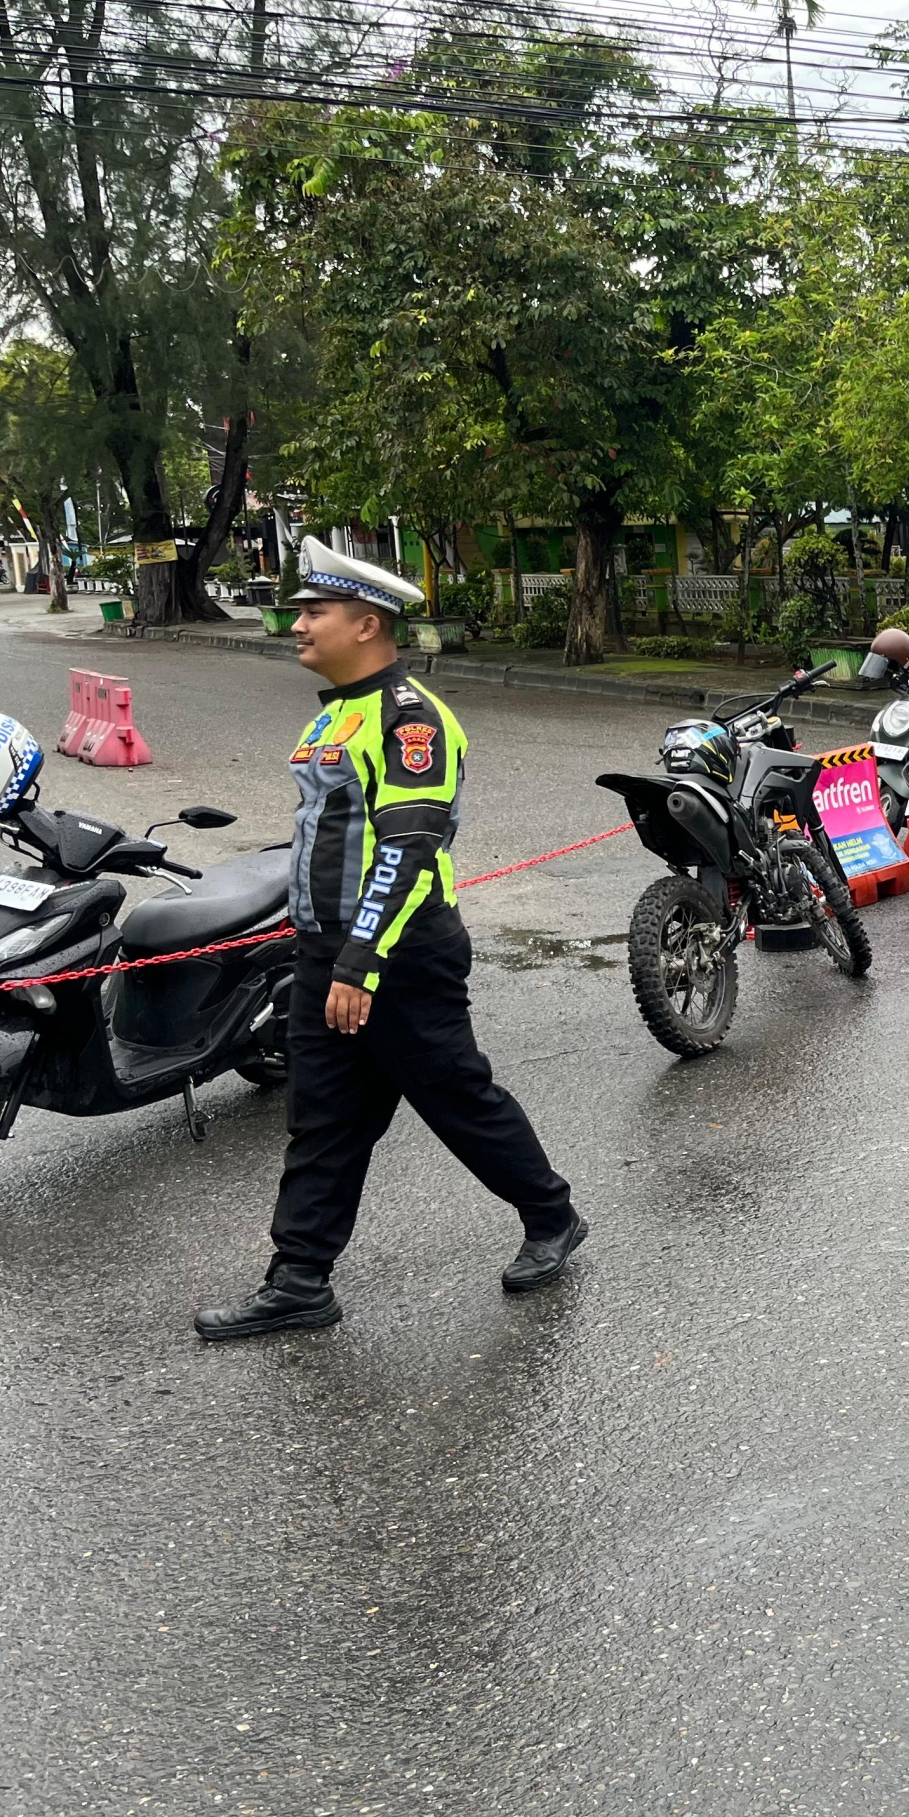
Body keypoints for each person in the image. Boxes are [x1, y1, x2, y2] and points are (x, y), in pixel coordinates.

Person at [196, 542, 587, 1340]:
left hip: (399, 953)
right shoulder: (333, 712)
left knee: (455, 1097)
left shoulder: (412, 718)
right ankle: (299, 1281)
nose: (297, 623)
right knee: (323, 1117)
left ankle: (552, 1216)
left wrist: (361, 962)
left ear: (367, 624)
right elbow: (327, 838)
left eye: (315, 612)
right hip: (327, 952)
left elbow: (408, 852)